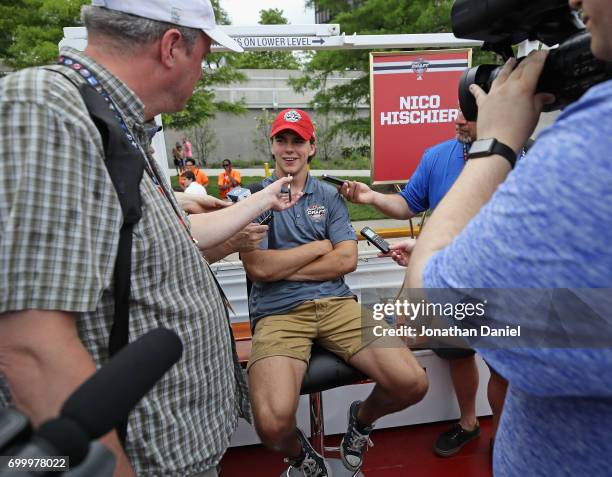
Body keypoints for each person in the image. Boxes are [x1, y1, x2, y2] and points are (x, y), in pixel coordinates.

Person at [0, 2, 302, 477]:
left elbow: (140, 253)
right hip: (138, 459)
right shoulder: (46, 107)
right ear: (172, 47)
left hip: (174, 446)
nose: (202, 69)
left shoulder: (114, 121)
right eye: (204, 54)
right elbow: (28, 342)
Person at [405, 0, 612, 475]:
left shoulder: (587, 145)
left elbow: (435, 302)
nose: (576, 3)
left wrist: (494, 145)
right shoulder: (435, 156)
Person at [241, 109, 428, 477]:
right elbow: (258, 268)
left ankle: (360, 419)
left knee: (413, 383)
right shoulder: (254, 197)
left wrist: (286, 266)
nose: (290, 148)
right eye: (282, 140)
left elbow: (346, 260)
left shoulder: (328, 196)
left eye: (298, 141)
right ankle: (301, 456)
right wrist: (317, 247)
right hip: (278, 314)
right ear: (273, 145)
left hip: (337, 306)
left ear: (312, 147)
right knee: (272, 426)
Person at [342, 108, 512, 457]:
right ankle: (468, 424)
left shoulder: (516, 157)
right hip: (450, 281)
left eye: (470, 114)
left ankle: (507, 435)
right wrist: (371, 197)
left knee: (502, 365)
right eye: (459, 110)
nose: (459, 119)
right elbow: (408, 202)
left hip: (501, 281)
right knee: (458, 354)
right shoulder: (437, 156)